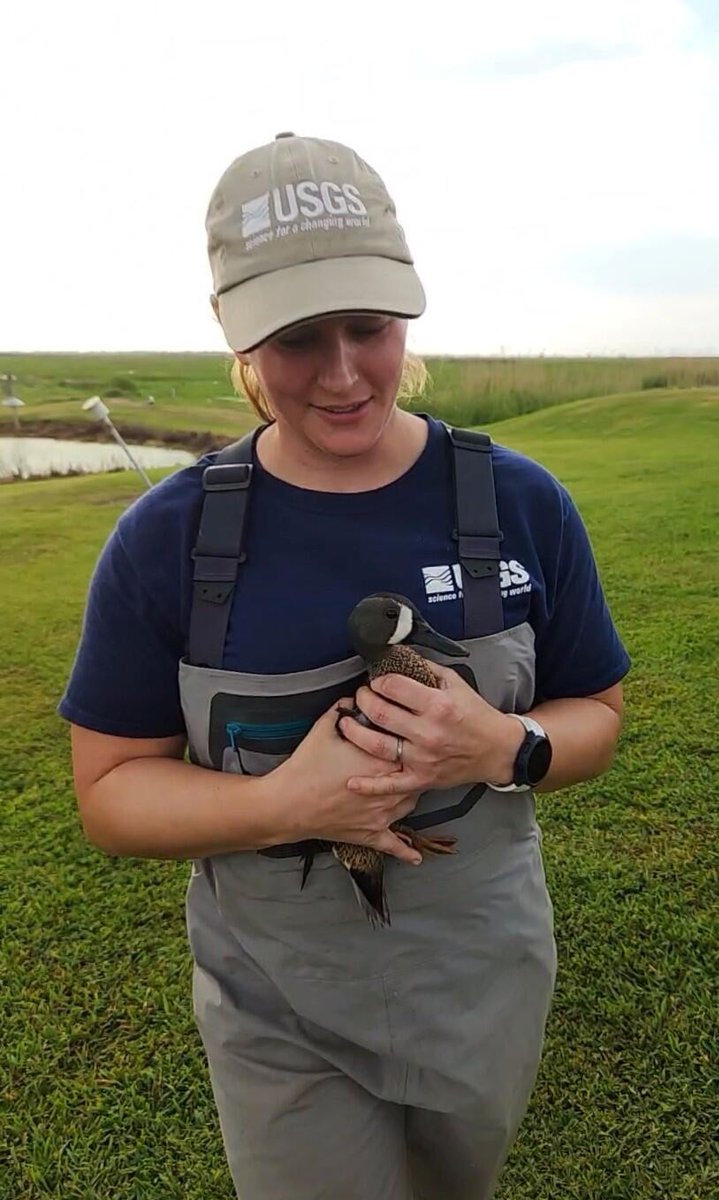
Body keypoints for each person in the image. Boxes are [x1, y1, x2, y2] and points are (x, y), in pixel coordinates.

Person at [60, 132, 630, 1200]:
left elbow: (593, 711)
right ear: (236, 336)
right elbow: (110, 795)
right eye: (292, 337)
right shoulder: (165, 540)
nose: (338, 374)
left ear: (403, 314)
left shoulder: (520, 504)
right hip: (278, 995)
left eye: (365, 329)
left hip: (482, 982)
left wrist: (506, 743)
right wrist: (287, 804)